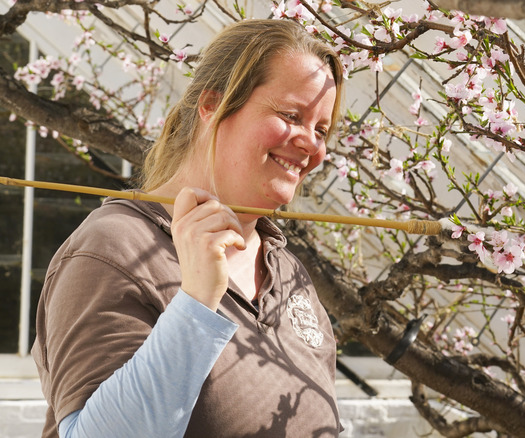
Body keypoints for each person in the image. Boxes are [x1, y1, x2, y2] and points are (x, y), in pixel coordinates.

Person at [32, 18, 344, 437]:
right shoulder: (114, 248)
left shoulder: (289, 274)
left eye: (321, 130)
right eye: (291, 115)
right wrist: (196, 303)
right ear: (212, 105)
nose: (311, 144)